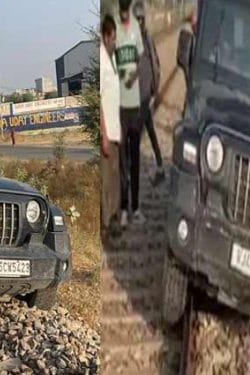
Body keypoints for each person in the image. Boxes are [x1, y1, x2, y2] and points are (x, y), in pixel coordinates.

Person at [115, 0, 146, 227]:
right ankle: (123, 207)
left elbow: (140, 57)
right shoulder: (114, 28)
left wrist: (134, 77)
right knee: (123, 161)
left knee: (135, 159)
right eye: (123, 11)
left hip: (134, 105)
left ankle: (136, 207)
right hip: (119, 107)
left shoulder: (135, 26)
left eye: (127, 12)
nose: (125, 15)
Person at [134, 1, 165, 185]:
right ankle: (159, 165)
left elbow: (155, 65)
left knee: (142, 132)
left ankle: (157, 167)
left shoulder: (146, 39)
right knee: (148, 131)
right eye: (136, 18)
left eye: (140, 19)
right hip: (136, 95)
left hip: (144, 95)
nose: (138, 22)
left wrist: (155, 90)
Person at [100, 14, 122, 233]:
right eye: (113, 38)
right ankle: (106, 224)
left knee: (114, 177)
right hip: (108, 135)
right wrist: (104, 135)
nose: (115, 41)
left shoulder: (111, 58)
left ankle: (113, 218)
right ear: (106, 36)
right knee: (106, 181)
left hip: (116, 131)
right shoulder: (103, 63)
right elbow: (100, 104)